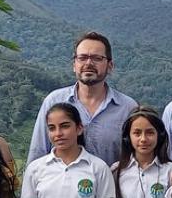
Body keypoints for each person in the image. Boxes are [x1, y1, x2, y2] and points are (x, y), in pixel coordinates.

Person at [27, 32, 138, 167]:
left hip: (111, 186)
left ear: (110, 66)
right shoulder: (54, 101)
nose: (89, 63)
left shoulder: (127, 108)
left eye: (97, 58)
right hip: (61, 186)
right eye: (82, 58)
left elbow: (137, 160)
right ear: (74, 65)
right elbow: (38, 154)